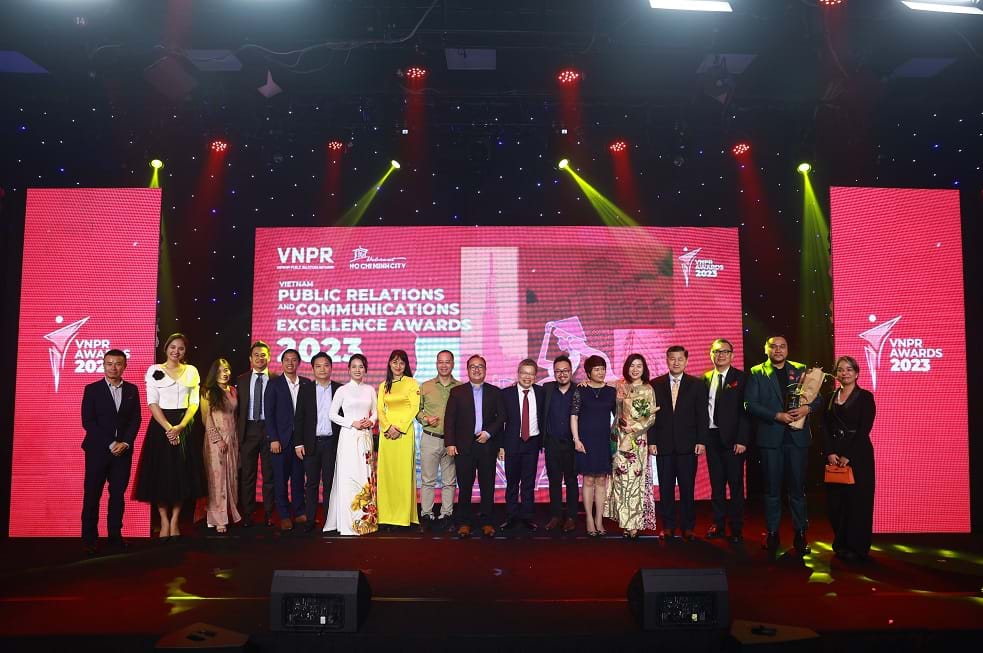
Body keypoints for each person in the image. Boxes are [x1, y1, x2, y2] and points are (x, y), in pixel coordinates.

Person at [745, 336, 822, 554]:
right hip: (771, 439)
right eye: (773, 346)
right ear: (766, 349)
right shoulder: (756, 372)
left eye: (782, 346)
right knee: (772, 490)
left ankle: (800, 533)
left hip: (797, 439)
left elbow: (818, 399)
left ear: (787, 349)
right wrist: (775, 415)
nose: (778, 350)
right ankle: (772, 533)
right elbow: (749, 404)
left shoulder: (801, 369)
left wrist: (807, 409)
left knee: (797, 489)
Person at [134, 333, 203, 539]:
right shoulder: (154, 370)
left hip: (184, 425)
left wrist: (180, 426)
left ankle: (175, 521)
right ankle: (164, 520)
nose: (176, 351)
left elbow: (194, 402)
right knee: (160, 474)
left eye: (180, 348)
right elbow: (152, 403)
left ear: (185, 351)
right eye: (173, 347)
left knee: (181, 474)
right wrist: (168, 428)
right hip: (160, 426)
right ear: (166, 348)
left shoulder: (191, 371)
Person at [80, 349, 142, 555]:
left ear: (124, 366)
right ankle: (89, 539)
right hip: (97, 451)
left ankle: (115, 536)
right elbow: (88, 422)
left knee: (117, 496)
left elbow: (136, 419)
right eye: (109, 363)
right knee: (92, 495)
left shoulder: (132, 390)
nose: (113, 367)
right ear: (103, 365)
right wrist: (111, 443)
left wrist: (126, 442)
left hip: (123, 452)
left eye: (118, 364)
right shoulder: (92, 389)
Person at [649, 346, 709, 541]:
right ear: (666, 360)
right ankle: (667, 526)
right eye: (672, 359)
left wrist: (701, 440)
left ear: (686, 361)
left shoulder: (696, 384)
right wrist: (652, 441)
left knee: (687, 488)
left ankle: (688, 527)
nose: (676, 362)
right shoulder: (655, 384)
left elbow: (702, 415)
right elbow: (651, 417)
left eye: (680, 359)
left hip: (688, 445)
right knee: (666, 489)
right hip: (663, 445)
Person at [445, 355, 505, 538]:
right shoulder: (457, 392)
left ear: (485, 370)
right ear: (467, 370)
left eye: (480, 366)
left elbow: (501, 418)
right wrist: (450, 443)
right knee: (465, 486)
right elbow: (450, 420)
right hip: (464, 446)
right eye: (473, 366)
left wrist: (489, 433)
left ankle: (487, 522)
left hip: (486, 444)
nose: (477, 370)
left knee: (487, 485)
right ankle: (464, 522)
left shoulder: (495, 392)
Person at [823, 355, 876, 562]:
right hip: (834, 455)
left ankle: (857, 546)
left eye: (849, 369)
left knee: (857, 503)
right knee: (836, 503)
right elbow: (825, 428)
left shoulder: (865, 397)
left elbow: (864, 429)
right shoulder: (830, 397)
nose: (844, 373)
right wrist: (830, 452)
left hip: (858, 454)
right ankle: (841, 544)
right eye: (840, 369)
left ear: (857, 373)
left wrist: (849, 455)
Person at [702, 339, 751, 543]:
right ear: (711, 355)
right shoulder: (705, 378)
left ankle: (736, 527)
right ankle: (718, 524)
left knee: (735, 485)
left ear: (732, 355)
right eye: (716, 351)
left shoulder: (742, 378)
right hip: (712, 438)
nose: (720, 355)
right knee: (716, 485)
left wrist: (742, 439)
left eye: (725, 351)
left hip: (733, 440)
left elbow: (746, 412)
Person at [325, 354, 379, 536]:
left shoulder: (370, 389)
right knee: (348, 477)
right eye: (354, 366)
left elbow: (376, 412)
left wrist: (371, 421)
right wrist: (351, 423)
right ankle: (347, 523)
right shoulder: (342, 390)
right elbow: (332, 414)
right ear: (348, 369)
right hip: (348, 437)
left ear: (365, 370)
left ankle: (366, 522)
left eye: (361, 366)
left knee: (366, 476)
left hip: (365, 437)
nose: (357, 370)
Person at [606, 354, 658, 539]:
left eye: (639, 366)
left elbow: (650, 417)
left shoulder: (648, 389)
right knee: (620, 481)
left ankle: (633, 525)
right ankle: (624, 521)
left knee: (634, 482)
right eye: (632, 366)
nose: (635, 369)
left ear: (644, 369)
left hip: (637, 440)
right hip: (618, 438)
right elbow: (600, 386)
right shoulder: (619, 385)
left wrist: (633, 428)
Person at [294, 352, 342, 531]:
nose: (322, 369)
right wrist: (298, 443)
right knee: (311, 483)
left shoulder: (339, 389)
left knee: (330, 483)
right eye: (318, 366)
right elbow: (299, 418)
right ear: (313, 369)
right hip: (311, 444)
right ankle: (310, 519)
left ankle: (330, 521)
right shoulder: (305, 389)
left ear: (331, 368)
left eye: (326, 365)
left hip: (331, 443)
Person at [264, 348, 311, 531]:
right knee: (280, 480)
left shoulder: (306, 383)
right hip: (280, 441)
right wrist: (273, 438)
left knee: (298, 478)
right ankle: (284, 515)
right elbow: (269, 414)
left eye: (294, 360)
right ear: (282, 362)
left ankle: (299, 512)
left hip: (300, 441)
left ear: (299, 362)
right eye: (287, 360)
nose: (290, 363)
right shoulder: (274, 384)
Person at [415, 350, 461, 531]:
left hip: (452, 441)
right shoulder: (425, 386)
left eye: (447, 362)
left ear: (453, 364)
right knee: (428, 480)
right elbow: (416, 411)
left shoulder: (460, 387)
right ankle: (427, 514)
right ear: (436, 364)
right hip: (430, 438)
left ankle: (446, 514)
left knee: (449, 481)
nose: (444, 365)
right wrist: (425, 419)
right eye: (441, 362)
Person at [571, 355, 617, 537]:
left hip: (604, 441)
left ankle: (599, 519)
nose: (601, 372)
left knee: (602, 481)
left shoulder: (611, 391)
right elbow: (574, 416)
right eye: (596, 369)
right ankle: (589, 518)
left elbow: (618, 416)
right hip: (585, 441)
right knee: (588, 480)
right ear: (588, 373)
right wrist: (576, 440)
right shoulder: (580, 390)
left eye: (603, 368)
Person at [376, 349, 421, 530]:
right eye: (395, 362)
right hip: (387, 434)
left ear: (406, 365)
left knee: (403, 475)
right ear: (389, 364)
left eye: (402, 363)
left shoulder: (412, 383)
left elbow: (414, 408)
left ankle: (402, 518)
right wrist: (388, 427)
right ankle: (386, 517)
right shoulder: (383, 385)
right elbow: (380, 410)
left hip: (404, 432)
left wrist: (399, 428)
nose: (398, 366)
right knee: (387, 475)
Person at [499, 358, 545, 531]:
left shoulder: (541, 392)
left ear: (535, 376)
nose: (527, 377)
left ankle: (527, 517)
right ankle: (511, 516)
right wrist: (501, 446)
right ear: (518, 374)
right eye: (524, 373)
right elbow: (500, 421)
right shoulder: (506, 394)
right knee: (512, 483)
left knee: (528, 483)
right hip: (512, 443)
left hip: (532, 443)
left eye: (531, 374)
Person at [236, 341, 276, 528]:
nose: (260, 358)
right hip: (248, 430)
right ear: (250, 358)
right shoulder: (241, 379)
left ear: (269, 357)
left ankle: (268, 514)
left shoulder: (276, 379)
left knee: (269, 475)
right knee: (248, 475)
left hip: (269, 430)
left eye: (263, 355)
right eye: (256, 355)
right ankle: (248, 514)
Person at [199, 358, 241, 533]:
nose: (225, 373)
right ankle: (217, 519)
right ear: (214, 373)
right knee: (217, 480)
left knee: (231, 477)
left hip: (233, 438)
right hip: (215, 441)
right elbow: (206, 419)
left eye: (227, 369)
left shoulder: (233, 390)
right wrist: (218, 440)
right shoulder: (208, 392)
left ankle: (227, 514)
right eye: (221, 370)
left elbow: (235, 416)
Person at [542, 355, 579, 532]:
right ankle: (555, 516)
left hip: (572, 444)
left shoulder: (579, 390)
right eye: (558, 371)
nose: (562, 374)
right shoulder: (547, 389)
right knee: (554, 481)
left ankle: (571, 517)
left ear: (571, 372)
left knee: (572, 481)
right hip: (552, 443)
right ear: (554, 373)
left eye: (565, 371)